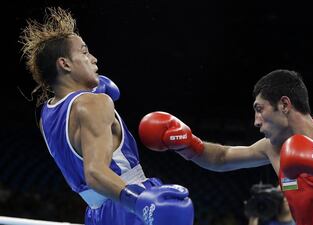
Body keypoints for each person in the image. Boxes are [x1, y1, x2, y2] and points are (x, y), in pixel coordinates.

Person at [138, 69, 313, 225]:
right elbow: (223, 157)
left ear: (284, 104)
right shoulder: (272, 148)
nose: (255, 121)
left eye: (260, 110)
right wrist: (189, 144)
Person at [19, 7, 194, 225]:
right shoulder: (94, 103)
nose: (93, 58)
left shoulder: (47, 114)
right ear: (64, 64)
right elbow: (94, 172)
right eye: (84, 52)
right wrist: (139, 202)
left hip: (96, 213)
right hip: (126, 200)